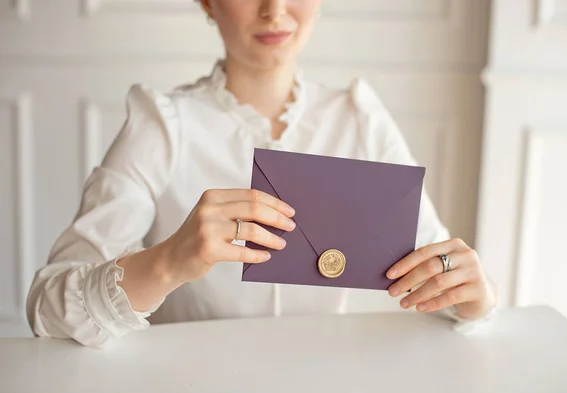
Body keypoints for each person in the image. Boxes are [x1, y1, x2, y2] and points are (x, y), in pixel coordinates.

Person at [26, 0, 497, 348]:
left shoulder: (361, 119)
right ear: (208, 3)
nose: (275, 10)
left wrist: (474, 294)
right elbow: (47, 304)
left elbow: (441, 279)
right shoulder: (163, 125)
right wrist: (168, 262)